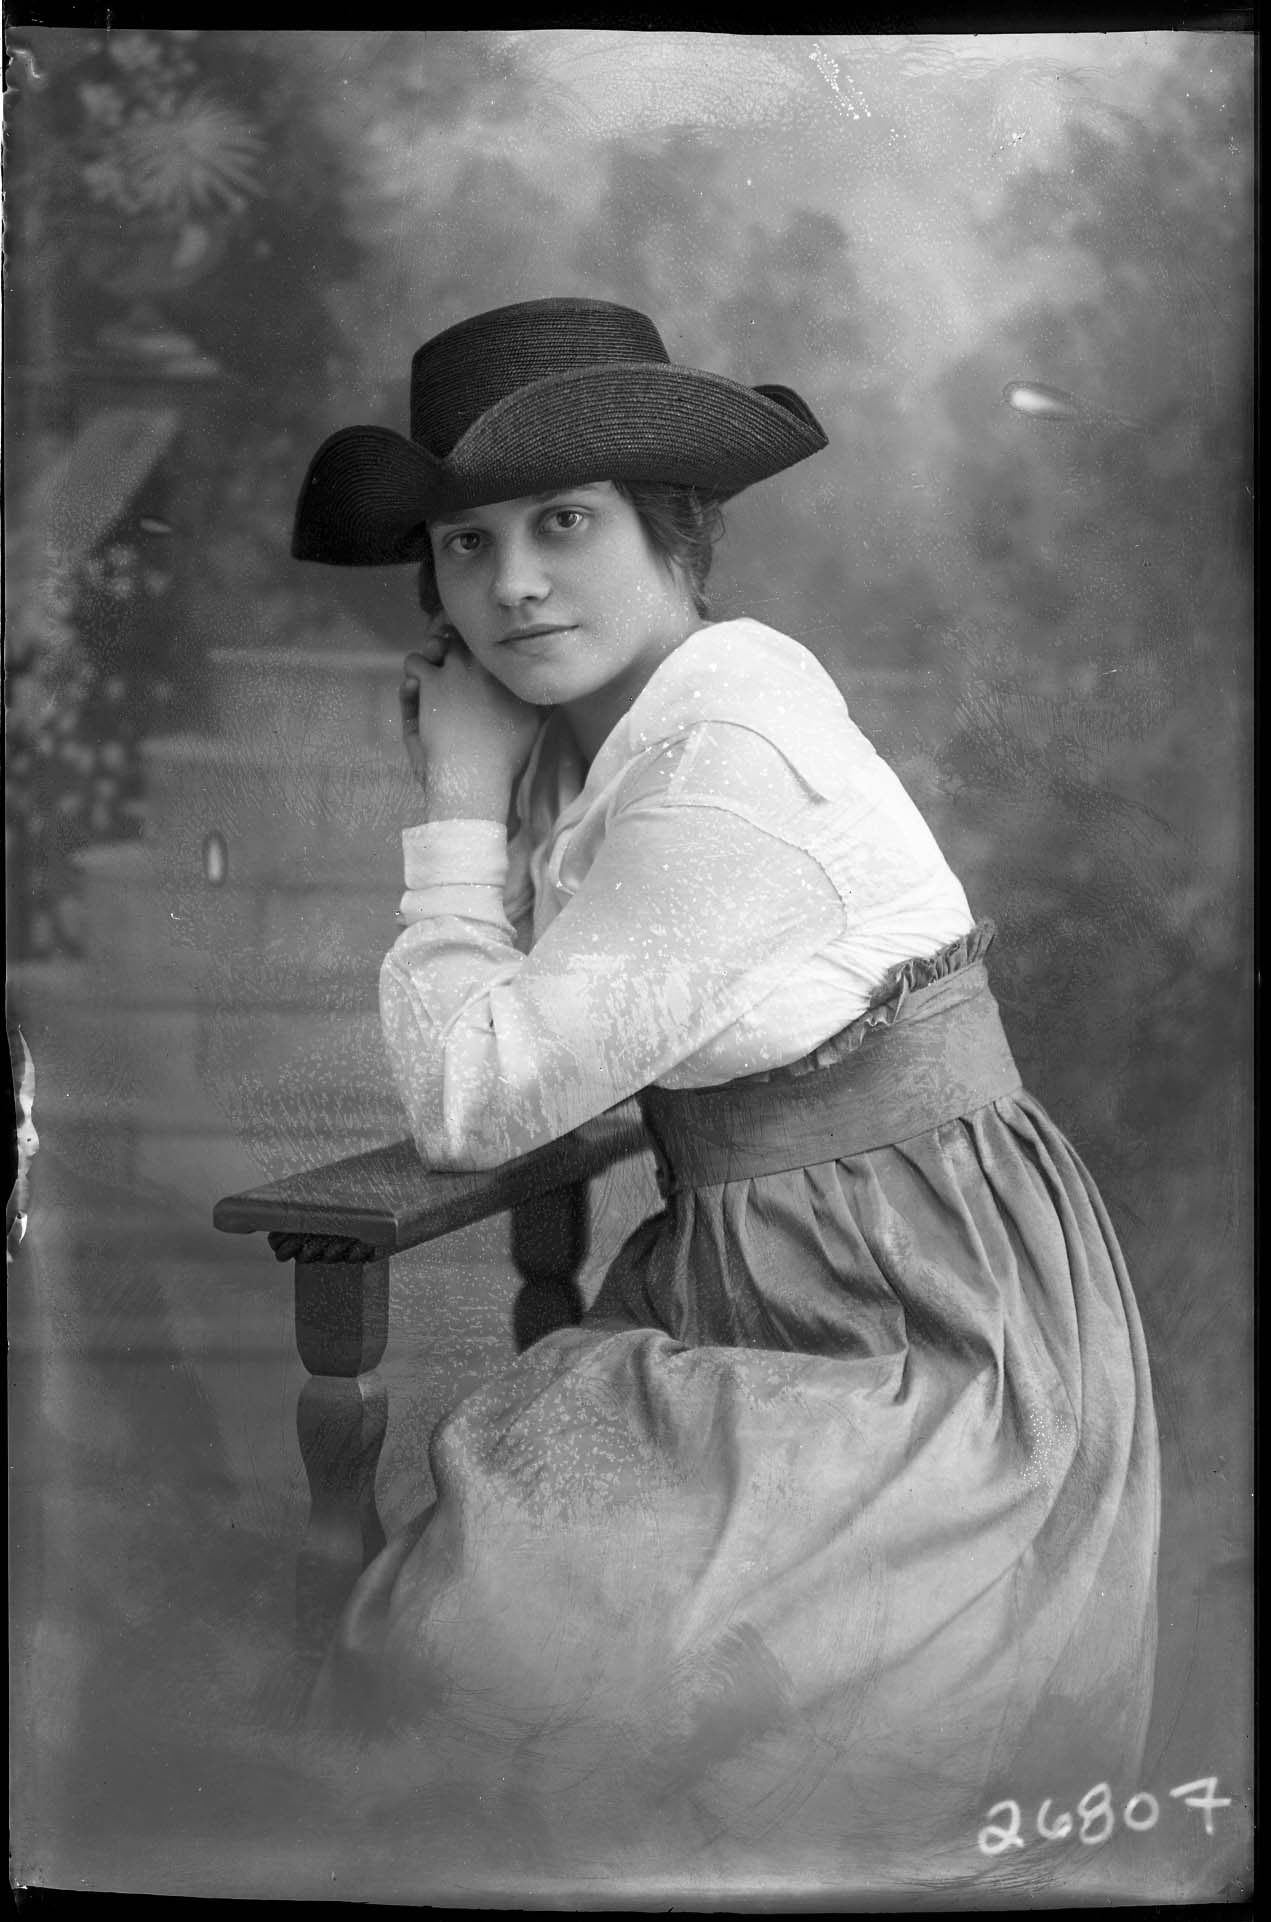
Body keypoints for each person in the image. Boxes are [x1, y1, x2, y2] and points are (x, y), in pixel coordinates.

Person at [289, 297, 1159, 1891]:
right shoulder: (643, 727)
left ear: (673, 531)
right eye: (468, 544)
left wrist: (455, 803)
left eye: (563, 522)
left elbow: (472, 1097)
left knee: (532, 1641)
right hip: (787, 1280)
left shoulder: (729, 763)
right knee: (506, 1584)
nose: (513, 581)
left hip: (926, 1338)